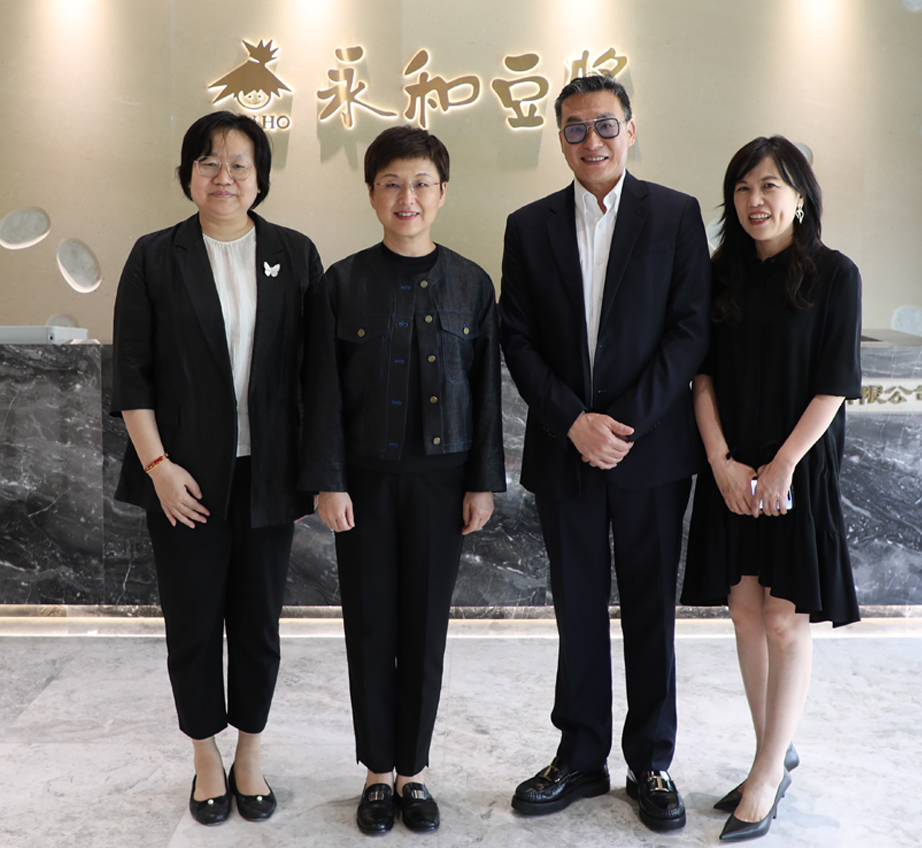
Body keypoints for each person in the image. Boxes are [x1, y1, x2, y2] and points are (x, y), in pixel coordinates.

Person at [499, 74, 711, 832]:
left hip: (650, 453)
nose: (592, 140)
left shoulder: (676, 215)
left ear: (630, 129)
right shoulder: (529, 226)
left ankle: (651, 760)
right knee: (578, 608)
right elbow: (517, 337)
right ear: (559, 138)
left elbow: (690, 330)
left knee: (651, 609)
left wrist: (620, 424)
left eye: (605, 125)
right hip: (567, 453)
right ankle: (581, 754)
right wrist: (573, 422)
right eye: (575, 128)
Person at [111, 111, 322, 825]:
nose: (223, 177)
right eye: (208, 163)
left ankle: (250, 753)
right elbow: (132, 375)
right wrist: (159, 467)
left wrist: (316, 472)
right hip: (184, 481)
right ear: (188, 174)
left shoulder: (294, 254)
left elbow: (314, 376)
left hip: (267, 479)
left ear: (259, 178)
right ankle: (205, 754)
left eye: (238, 164)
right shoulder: (155, 256)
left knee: (259, 625)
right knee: (193, 624)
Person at [299, 126, 505, 835]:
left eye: (420, 184)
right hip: (363, 483)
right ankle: (376, 773)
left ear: (441, 193)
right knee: (369, 625)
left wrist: (482, 482)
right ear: (371, 194)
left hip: (443, 484)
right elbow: (321, 393)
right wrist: (328, 481)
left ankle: (413, 771)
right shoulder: (341, 283)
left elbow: (486, 394)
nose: (406, 197)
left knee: (424, 629)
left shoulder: (472, 285)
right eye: (392, 183)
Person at [680, 136, 861, 842]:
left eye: (771, 186)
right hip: (730, 466)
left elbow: (834, 385)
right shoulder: (718, 272)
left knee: (785, 619)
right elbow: (701, 376)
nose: (756, 201)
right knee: (746, 613)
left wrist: (782, 465)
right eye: (743, 188)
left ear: (801, 196)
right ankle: (771, 754)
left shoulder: (834, 274)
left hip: (798, 467)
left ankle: (763, 773)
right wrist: (721, 461)